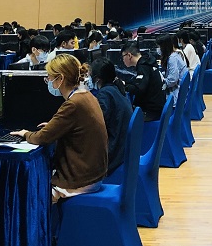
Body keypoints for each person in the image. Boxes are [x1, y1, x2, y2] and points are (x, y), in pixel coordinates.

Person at [12, 54, 109, 202]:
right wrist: (54, 127)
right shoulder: (87, 96)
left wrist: (26, 133)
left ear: (60, 79)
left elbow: (41, 138)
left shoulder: (73, 104)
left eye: (50, 77)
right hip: (93, 176)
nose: (49, 81)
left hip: (80, 181)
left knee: (26, 194)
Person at [90, 58, 134, 176]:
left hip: (114, 154)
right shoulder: (116, 89)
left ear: (97, 78)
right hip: (123, 149)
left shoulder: (104, 94)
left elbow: (98, 125)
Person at [120, 42, 165, 121]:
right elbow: (139, 82)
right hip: (158, 106)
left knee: (122, 118)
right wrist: (127, 83)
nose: (123, 60)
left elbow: (138, 89)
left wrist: (123, 86)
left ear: (129, 55)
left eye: (123, 56)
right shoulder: (148, 61)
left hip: (150, 112)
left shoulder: (143, 67)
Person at [158, 35, 188, 105]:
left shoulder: (172, 59)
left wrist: (163, 82)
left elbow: (172, 80)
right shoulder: (175, 55)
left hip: (176, 94)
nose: (158, 49)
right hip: (181, 91)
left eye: (159, 47)